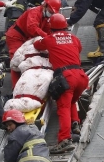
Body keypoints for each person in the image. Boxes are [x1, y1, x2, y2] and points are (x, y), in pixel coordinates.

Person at [34, 14, 89, 153]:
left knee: (63, 107)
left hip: (66, 76)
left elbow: (37, 45)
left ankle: (64, 139)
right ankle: (75, 123)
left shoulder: (50, 38)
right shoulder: (74, 38)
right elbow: (79, 49)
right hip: (81, 76)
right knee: (71, 101)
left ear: (51, 27)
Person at [6, 0, 61, 88]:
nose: (50, 14)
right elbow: (32, 28)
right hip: (16, 36)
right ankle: (15, 88)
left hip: (27, 39)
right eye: (50, 12)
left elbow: (48, 32)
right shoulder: (34, 12)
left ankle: (26, 84)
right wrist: (47, 37)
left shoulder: (45, 18)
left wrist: (53, 40)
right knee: (17, 60)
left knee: (28, 59)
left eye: (52, 13)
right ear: (45, 5)